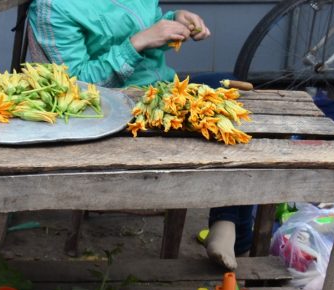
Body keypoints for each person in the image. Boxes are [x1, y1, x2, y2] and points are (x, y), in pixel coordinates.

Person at [27, 0, 253, 270]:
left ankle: (224, 224)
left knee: (230, 94)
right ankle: (230, 230)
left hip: (161, 88)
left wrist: (175, 21)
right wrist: (139, 42)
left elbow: (143, 25)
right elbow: (76, 85)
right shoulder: (54, 8)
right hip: (115, 111)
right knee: (220, 115)